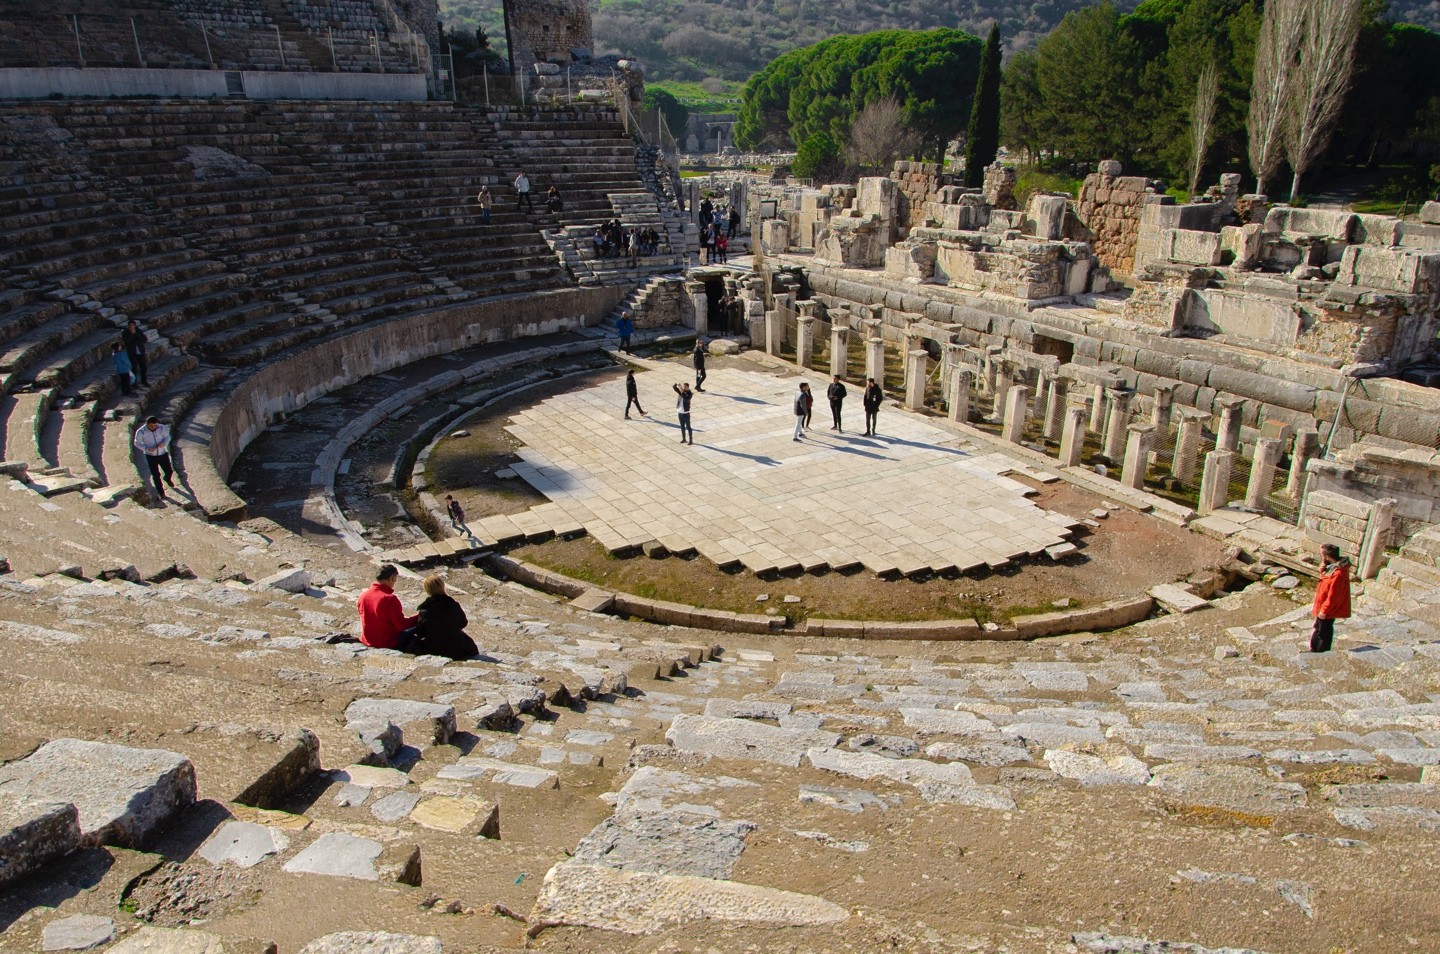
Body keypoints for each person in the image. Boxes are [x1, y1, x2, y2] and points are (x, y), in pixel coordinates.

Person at [409, 575, 479, 660]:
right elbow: (463, 623)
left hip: (433, 650)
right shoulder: (453, 605)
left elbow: (421, 632)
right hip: (457, 649)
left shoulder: (425, 610)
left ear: (428, 590)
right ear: (442, 586)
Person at [357, 564, 419, 650]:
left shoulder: (363, 596)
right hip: (387, 642)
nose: (394, 584)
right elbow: (402, 625)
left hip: (368, 640)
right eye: (395, 580)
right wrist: (419, 616)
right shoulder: (389, 599)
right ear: (391, 578)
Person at [1310, 544, 1352, 653]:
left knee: (1323, 632)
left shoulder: (1338, 574)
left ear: (1327, 556)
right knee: (1318, 628)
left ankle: (1321, 652)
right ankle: (1314, 649)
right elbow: (1326, 579)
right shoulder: (1333, 567)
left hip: (1328, 608)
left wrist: (1324, 610)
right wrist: (1322, 569)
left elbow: (1334, 595)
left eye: (1322, 555)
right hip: (1323, 604)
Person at [132, 415, 178, 501]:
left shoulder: (162, 428)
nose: (154, 427)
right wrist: (146, 448)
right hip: (150, 456)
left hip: (162, 453)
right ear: (147, 424)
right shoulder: (141, 431)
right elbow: (136, 443)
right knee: (156, 475)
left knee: (169, 471)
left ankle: (167, 478)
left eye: (155, 425)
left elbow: (167, 437)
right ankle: (161, 492)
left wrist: (164, 443)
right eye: (151, 425)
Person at [122, 319, 148, 386]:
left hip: (140, 353)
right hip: (132, 353)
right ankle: (134, 383)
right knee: (134, 369)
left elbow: (144, 339)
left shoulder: (138, 331)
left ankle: (144, 381)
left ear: (135, 325)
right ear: (128, 326)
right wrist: (132, 334)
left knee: (143, 368)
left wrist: (135, 333)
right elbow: (127, 341)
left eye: (133, 325)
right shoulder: (125, 333)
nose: (131, 327)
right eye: (130, 326)